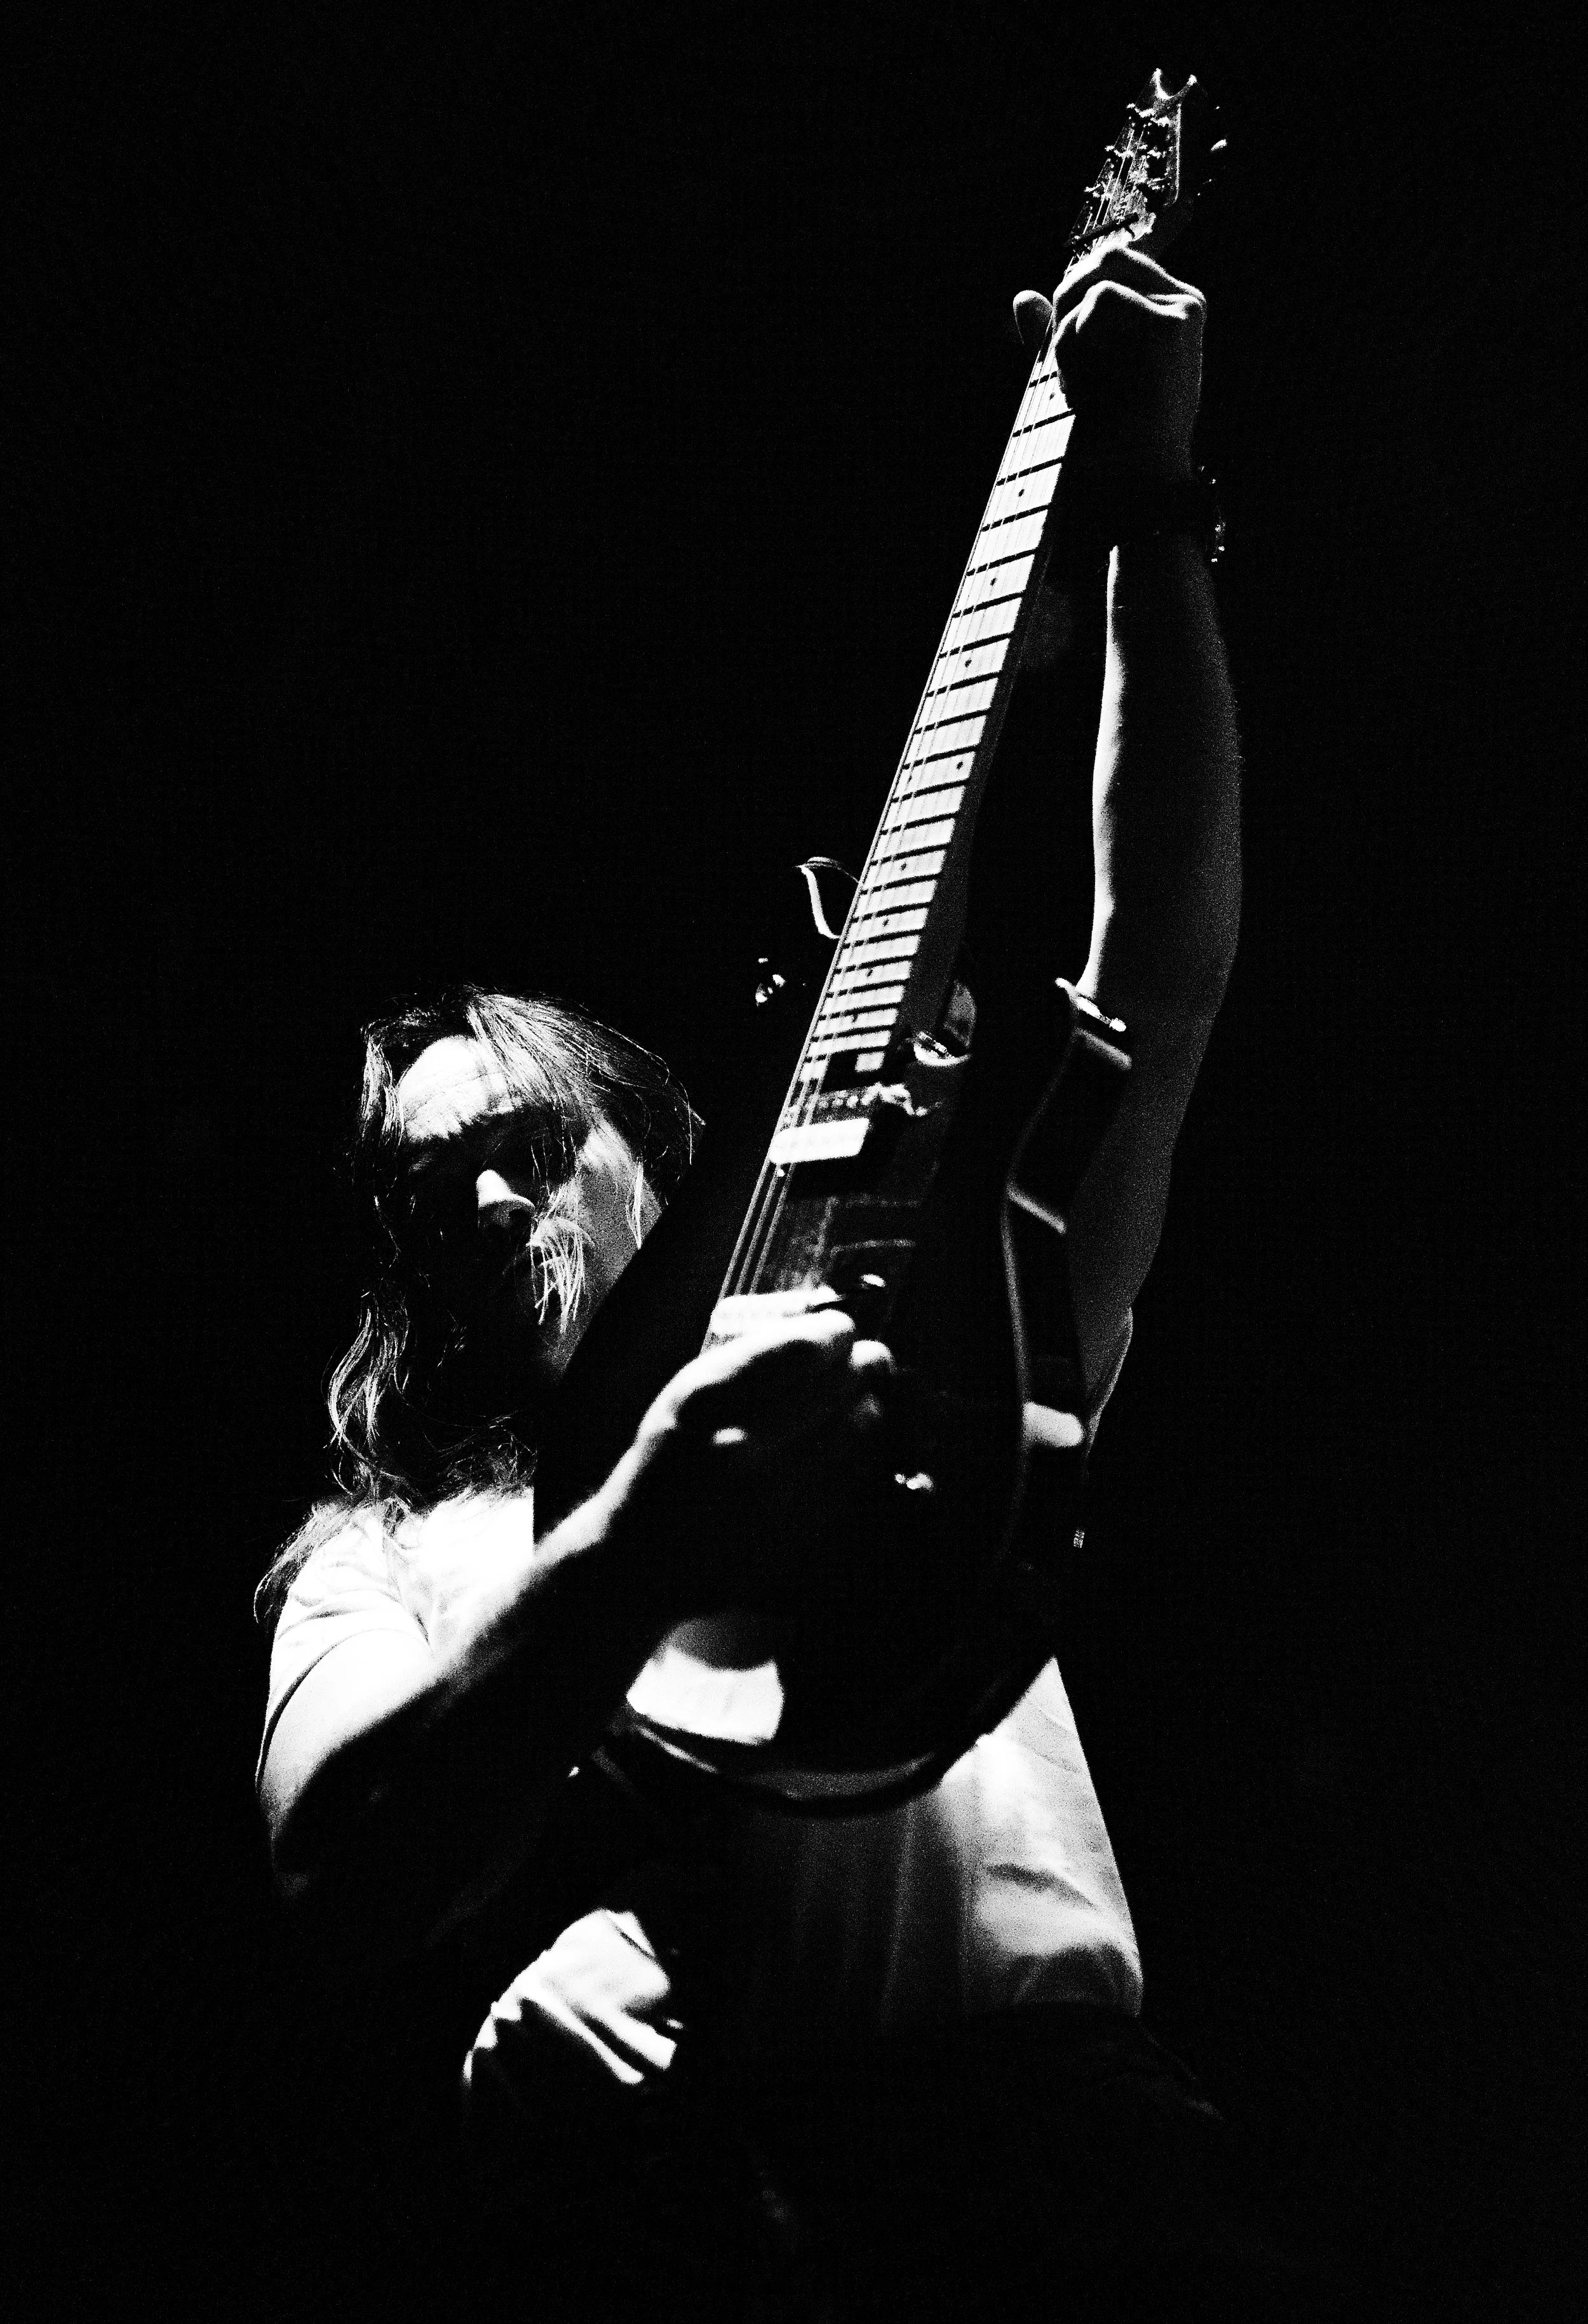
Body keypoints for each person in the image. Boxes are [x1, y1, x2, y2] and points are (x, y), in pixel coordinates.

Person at [256, 241, 1278, 2318]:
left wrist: (1153, 500)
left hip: (1090, 2190)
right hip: (705, 2231)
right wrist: (639, 1543)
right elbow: (332, 1854)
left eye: (526, 1151)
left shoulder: (928, 1356)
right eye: (420, 1193)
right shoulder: (392, 1546)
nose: (478, 1215)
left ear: (662, 1146)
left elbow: (1155, 967)